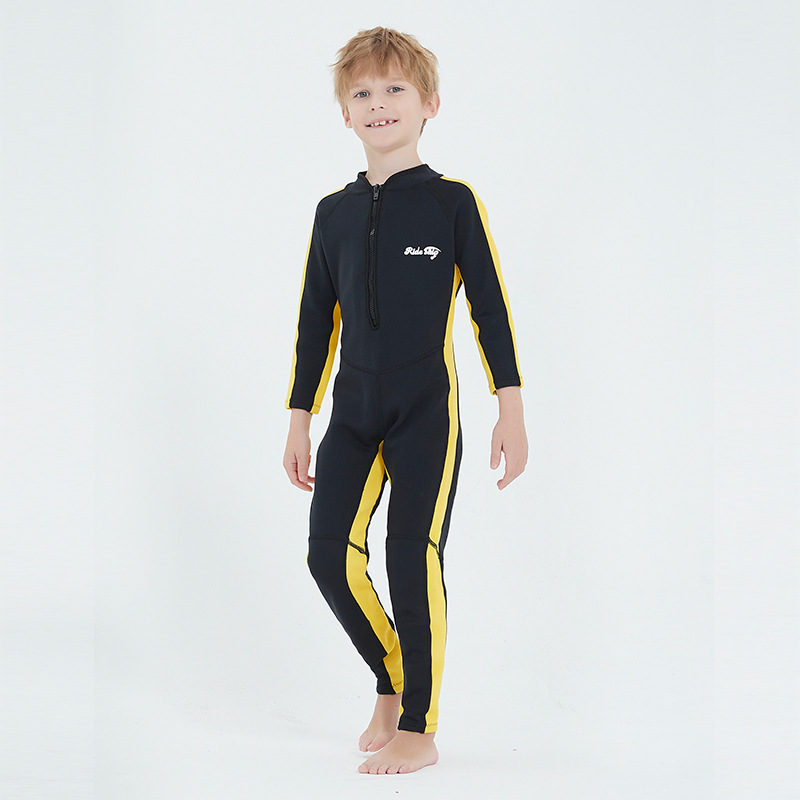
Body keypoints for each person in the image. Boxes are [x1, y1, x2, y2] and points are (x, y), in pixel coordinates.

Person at [282, 26, 528, 775]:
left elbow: (490, 308)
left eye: (395, 89)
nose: (378, 102)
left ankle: (418, 726)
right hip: (353, 412)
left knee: (409, 556)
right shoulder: (332, 212)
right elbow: (314, 323)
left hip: (426, 411)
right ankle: (391, 678)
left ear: (430, 104)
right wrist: (299, 418)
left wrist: (510, 408)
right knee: (329, 556)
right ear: (345, 113)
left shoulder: (452, 204)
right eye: (362, 92)